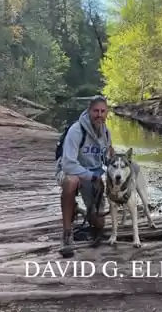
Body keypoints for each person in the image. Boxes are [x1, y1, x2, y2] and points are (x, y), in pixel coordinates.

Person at [55, 95, 113, 257]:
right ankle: (67, 234)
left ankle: (77, 209)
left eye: (103, 111)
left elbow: (106, 159)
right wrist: (92, 176)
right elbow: (68, 164)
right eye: (96, 111)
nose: (99, 115)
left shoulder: (106, 133)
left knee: (99, 223)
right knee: (70, 181)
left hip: (92, 175)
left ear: (107, 112)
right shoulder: (76, 130)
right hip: (70, 172)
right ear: (89, 111)